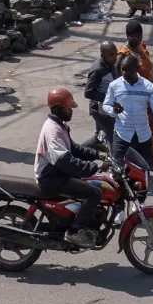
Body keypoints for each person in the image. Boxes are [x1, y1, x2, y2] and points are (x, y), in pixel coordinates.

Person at [34, 87, 105, 247]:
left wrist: (97, 154)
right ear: (59, 108)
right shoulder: (53, 130)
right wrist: (92, 167)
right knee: (94, 192)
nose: (71, 111)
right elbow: (64, 161)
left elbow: (74, 149)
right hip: (51, 178)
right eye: (68, 108)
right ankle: (74, 231)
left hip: (57, 173)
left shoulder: (60, 125)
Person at [103, 52, 153, 169]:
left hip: (143, 136)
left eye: (128, 70)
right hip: (122, 134)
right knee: (117, 168)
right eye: (123, 69)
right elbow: (106, 105)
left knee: (143, 170)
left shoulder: (148, 87)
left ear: (137, 69)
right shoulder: (114, 86)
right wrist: (113, 110)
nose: (124, 73)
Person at [84, 42, 122, 146]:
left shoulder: (110, 64)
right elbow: (88, 92)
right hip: (100, 110)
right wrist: (107, 97)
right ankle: (113, 157)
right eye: (111, 55)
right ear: (102, 55)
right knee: (113, 138)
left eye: (116, 54)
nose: (115, 57)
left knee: (98, 138)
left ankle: (78, 151)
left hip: (108, 107)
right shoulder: (98, 70)